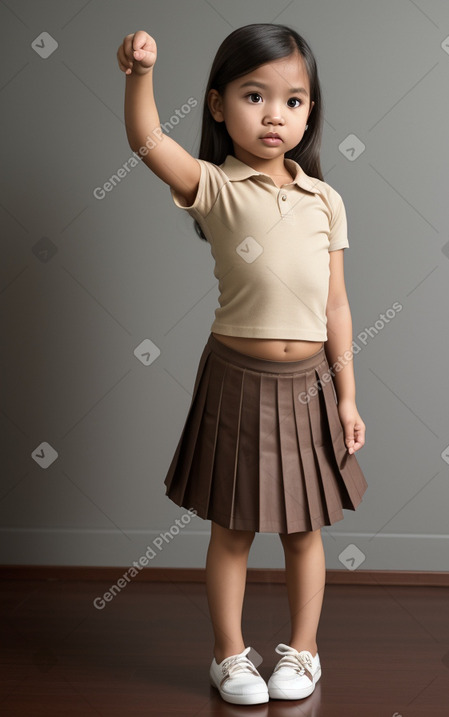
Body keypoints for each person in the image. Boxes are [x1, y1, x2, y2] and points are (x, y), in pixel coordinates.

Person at [117, 23, 368, 706]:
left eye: (293, 100)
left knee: (302, 527)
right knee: (232, 527)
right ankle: (230, 656)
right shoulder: (216, 187)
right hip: (235, 377)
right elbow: (146, 142)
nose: (274, 114)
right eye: (255, 96)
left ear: (309, 112)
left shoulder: (325, 200)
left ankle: (304, 651)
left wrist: (347, 397)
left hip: (312, 383)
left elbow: (338, 307)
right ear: (218, 105)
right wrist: (140, 74)